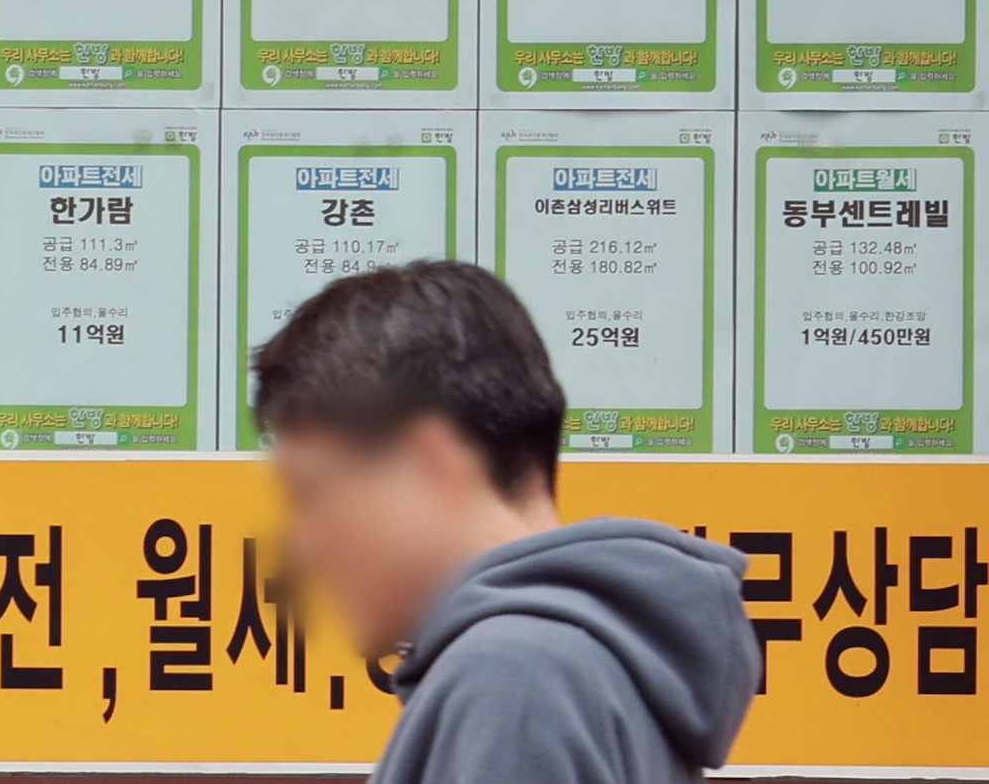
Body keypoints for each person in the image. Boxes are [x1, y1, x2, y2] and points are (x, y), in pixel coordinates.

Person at [254, 260, 761, 784]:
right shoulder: (589, 661)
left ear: (430, 462)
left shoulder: (514, 678)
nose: (305, 549)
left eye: (316, 491)